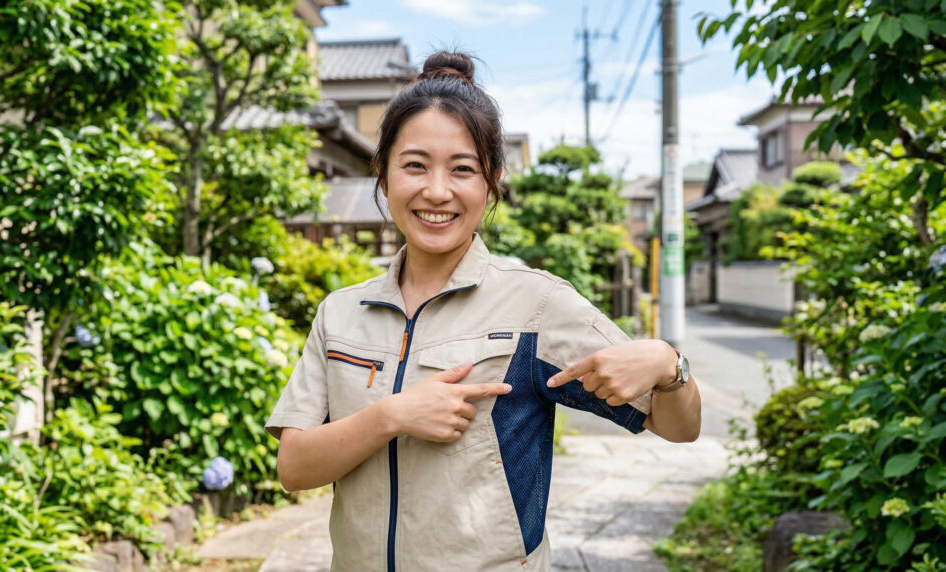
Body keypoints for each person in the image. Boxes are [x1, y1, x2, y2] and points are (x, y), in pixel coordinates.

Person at [265, 51, 702, 572]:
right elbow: (293, 467)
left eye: (463, 169)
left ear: (491, 181)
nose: (437, 191)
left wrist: (666, 361)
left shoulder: (536, 305)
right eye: (414, 165)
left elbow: (679, 427)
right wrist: (392, 415)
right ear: (383, 174)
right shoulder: (340, 312)